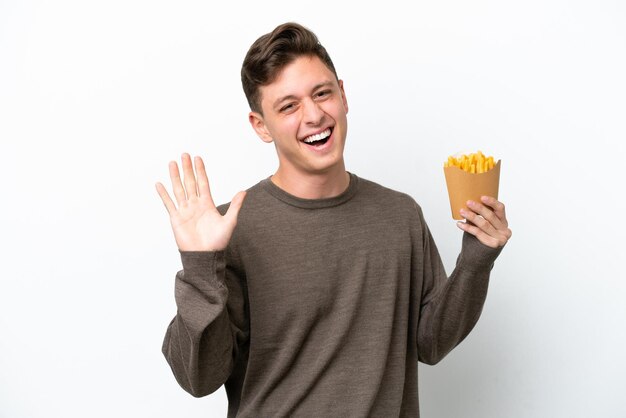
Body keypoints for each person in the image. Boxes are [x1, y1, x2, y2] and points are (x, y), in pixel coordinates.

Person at [155, 22, 512, 418]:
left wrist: (477, 260)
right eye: (288, 106)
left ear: (342, 95)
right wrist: (200, 267)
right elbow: (199, 379)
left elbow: (430, 343)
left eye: (322, 94)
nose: (313, 115)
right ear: (261, 126)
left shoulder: (400, 215)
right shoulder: (229, 229)